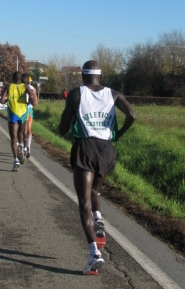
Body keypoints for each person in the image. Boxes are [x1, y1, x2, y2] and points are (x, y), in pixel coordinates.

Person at [59, 60, 136, 274]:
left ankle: (94, 254)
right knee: (95, 190)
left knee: (84, 202)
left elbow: (63, 128)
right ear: (100, 77)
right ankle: (99, 218)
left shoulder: (76, 94)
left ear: (83, 77)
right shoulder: (114, 94)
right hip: (106, 149)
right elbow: (132, 115)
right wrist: (118, 134)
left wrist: (70, 118)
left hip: (85, 146)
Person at [0, 71, 35, 171]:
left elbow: (1, 101)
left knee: (13, 138)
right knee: (22, 133)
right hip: (23, 113)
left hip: (13, 113)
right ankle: (21, 145)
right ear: (21, 79)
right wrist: (28, 102)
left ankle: (16, 160)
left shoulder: (8, 87)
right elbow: (32, 96)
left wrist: (7, 100)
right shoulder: (25, 86)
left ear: (13, 78)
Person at [20, 74, 38, 158]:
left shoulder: (19, 87)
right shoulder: (32, 88)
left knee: (21, 130)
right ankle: (28, 147)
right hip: (28, 110)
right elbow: (35, 102)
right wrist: (30, 105)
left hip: (20, 110)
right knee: (28, 130)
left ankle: (22, 146)